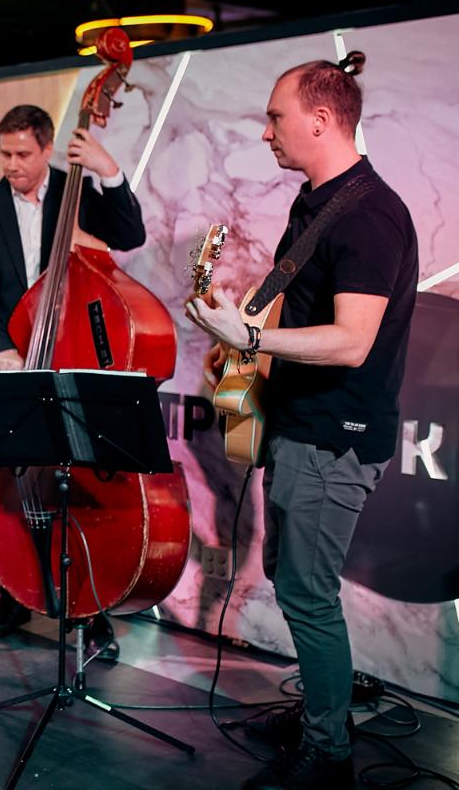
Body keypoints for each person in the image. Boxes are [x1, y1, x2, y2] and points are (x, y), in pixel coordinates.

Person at [186, 52, 416, 790]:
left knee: (308, 595)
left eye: (275, 117)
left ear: (320, 120)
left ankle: (329, 755)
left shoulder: (371, 214)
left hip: (333, 439)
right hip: (300, 428)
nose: (265, 132)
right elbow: (296, 304)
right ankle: (324, 719)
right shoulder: (317, 203)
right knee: (294, 584)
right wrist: (239, 336)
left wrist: (249, 337)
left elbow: (351, 341)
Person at [0, 104, 145, 644]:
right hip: (8, 360)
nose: (12, 164)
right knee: (16, 484)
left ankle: (87, 602)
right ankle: (13, 590)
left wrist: (109, 172)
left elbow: (130, 235)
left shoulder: (75, 189)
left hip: (68, 355)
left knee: (77, 485)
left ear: (46, 149)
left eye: (23, 154)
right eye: (6, 154)